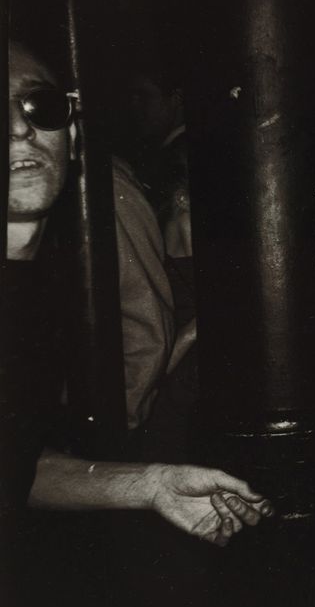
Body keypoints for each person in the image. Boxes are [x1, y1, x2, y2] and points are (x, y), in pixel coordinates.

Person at [3, 40, 272, 546]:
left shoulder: (35, 290)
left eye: (40, 106)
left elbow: (15, 464)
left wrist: (152, 485)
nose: (20, 128)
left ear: (74, 134)